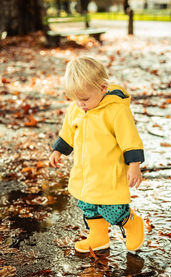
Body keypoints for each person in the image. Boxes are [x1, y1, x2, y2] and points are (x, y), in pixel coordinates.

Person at [49, 56, 145, 253]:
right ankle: (98, 236)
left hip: (109, 172)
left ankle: (131, 222)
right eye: (74, 99)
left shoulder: (115, 110)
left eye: (85, 99)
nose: (80, 104)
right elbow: (68, 132)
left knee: (113, 208)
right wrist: (58, 150)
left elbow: (129, 138)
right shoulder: (76, 108)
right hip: (85, 172)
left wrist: (134, 165)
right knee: (88, 205)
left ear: (102, 88)